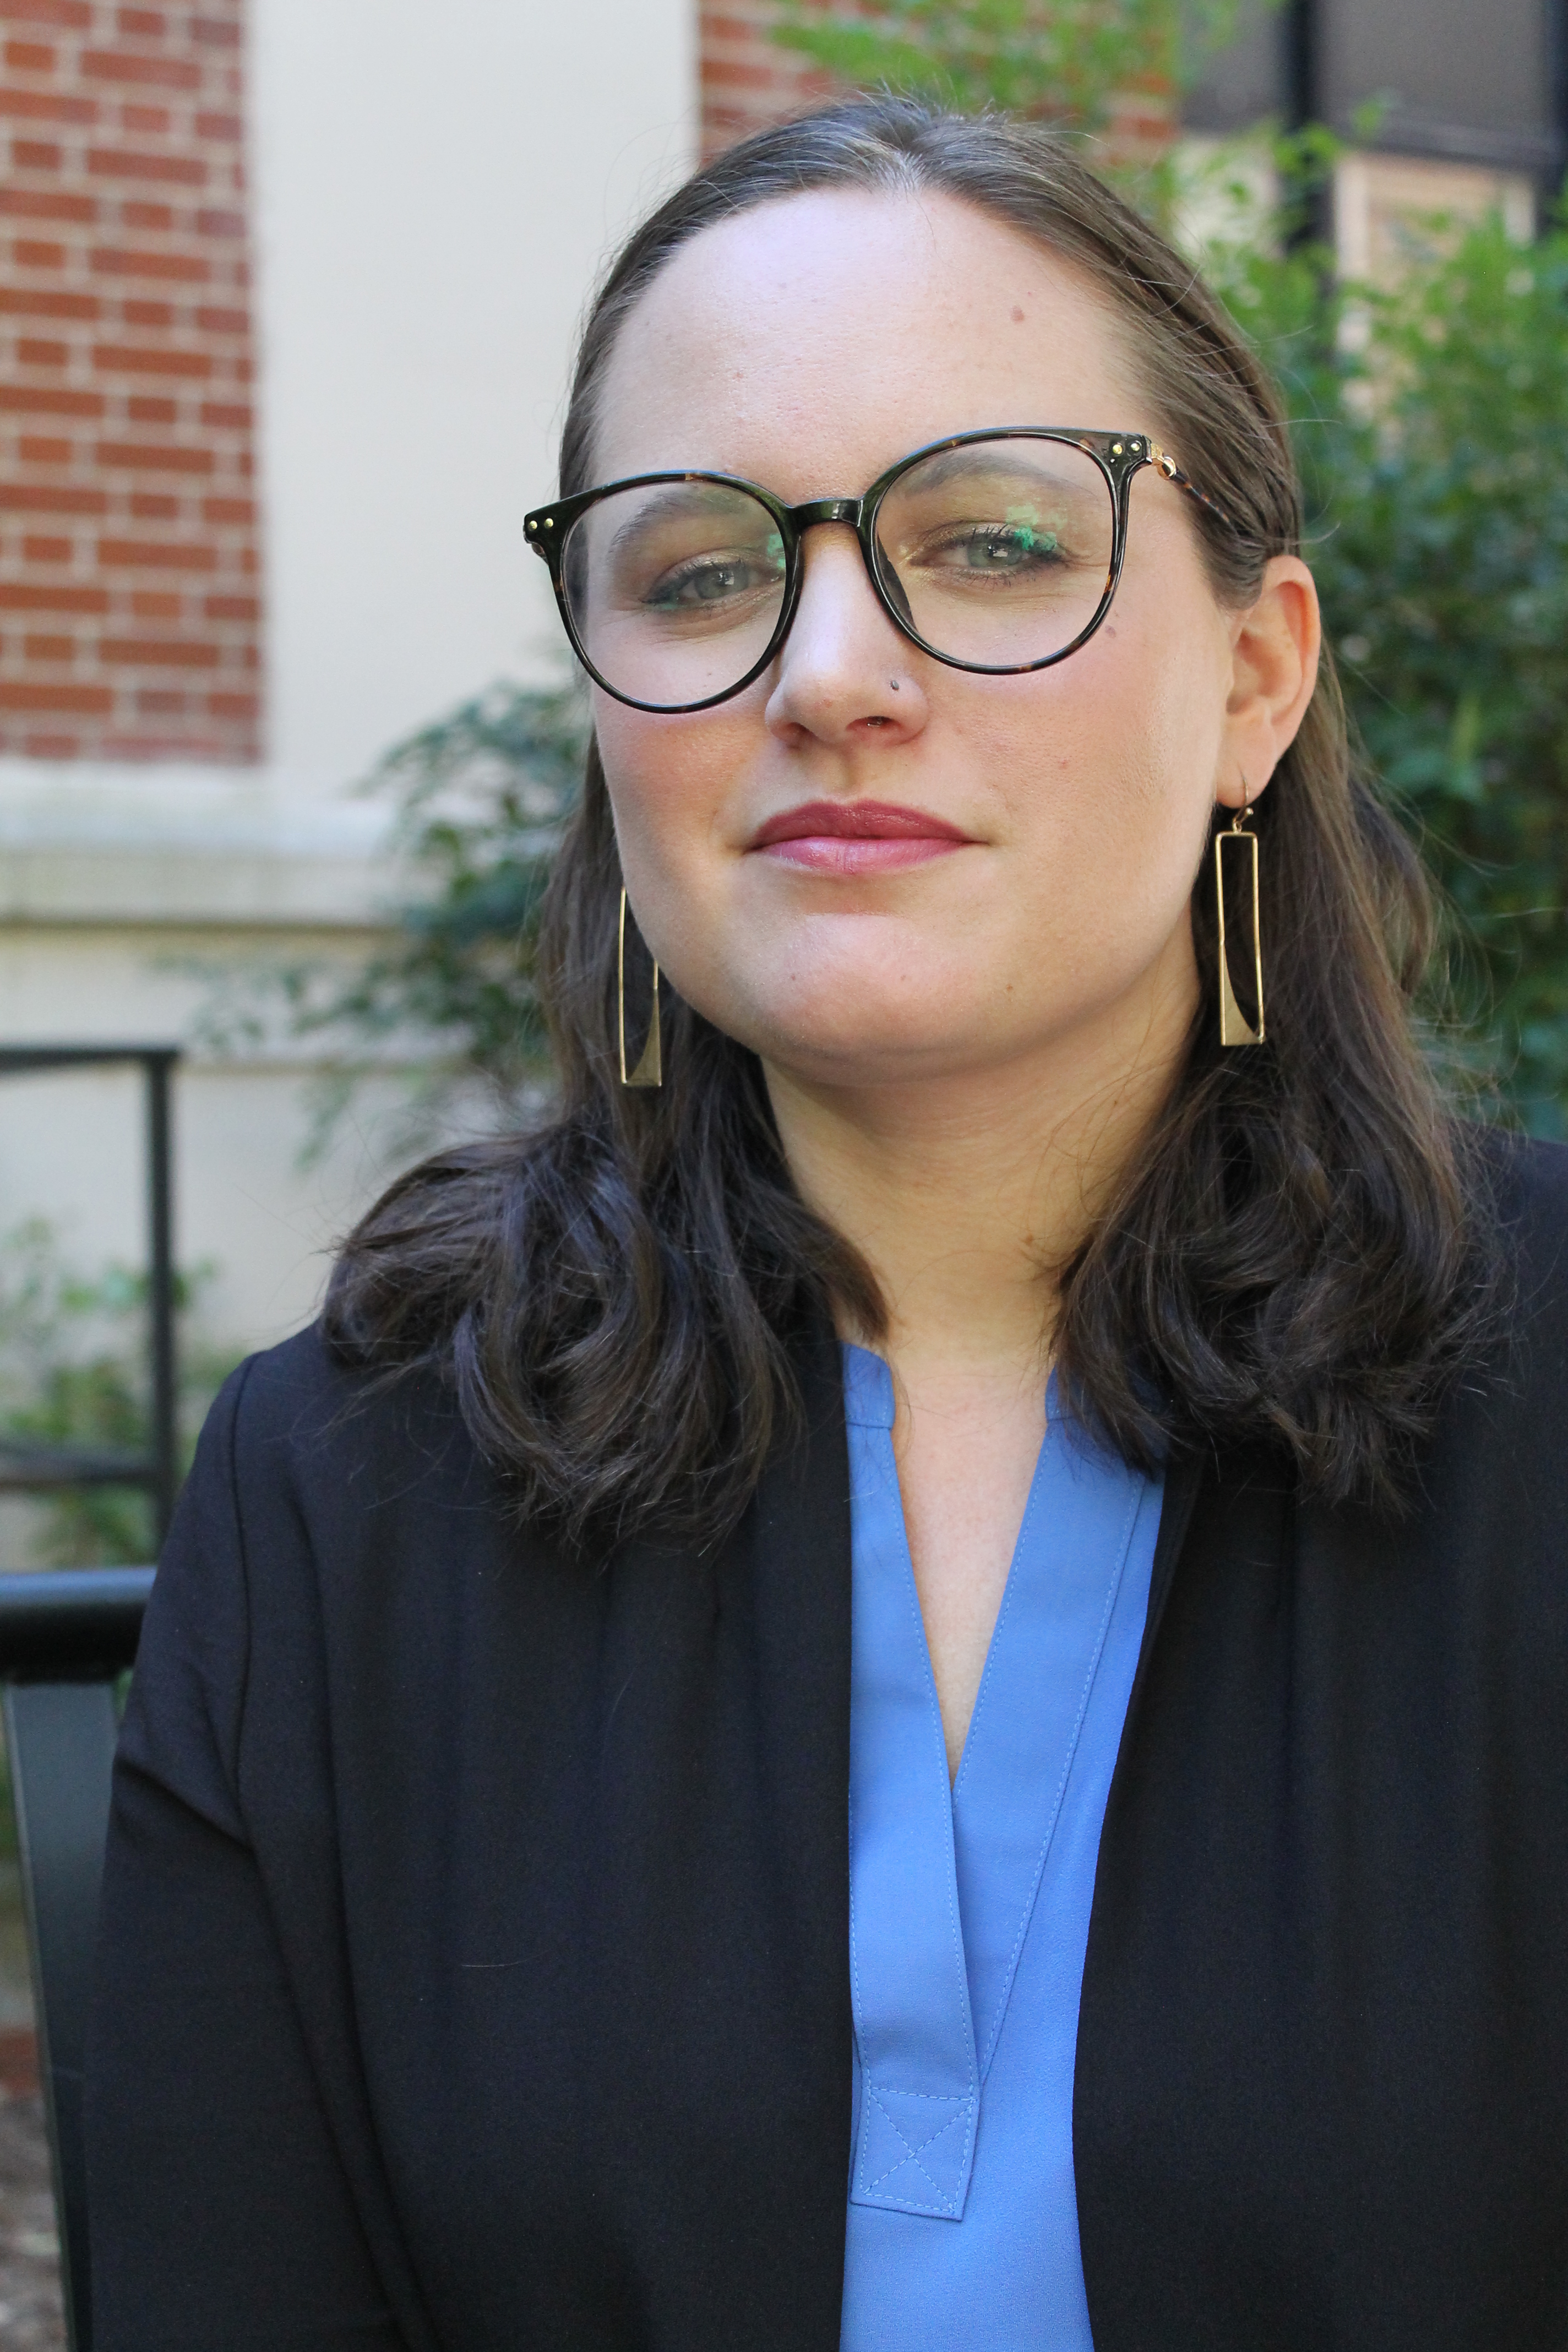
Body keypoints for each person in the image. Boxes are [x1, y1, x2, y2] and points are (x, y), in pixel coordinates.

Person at [85, 98, 1568, 2352]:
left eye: (992, 542)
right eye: (698, 572)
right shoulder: (342, 1489)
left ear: (1254, 679)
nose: (828, 672)